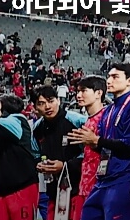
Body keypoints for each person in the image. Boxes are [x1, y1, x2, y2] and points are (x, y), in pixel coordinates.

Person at [69, 63, 130, 220]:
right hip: (104, 178)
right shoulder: (109, 110)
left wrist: (96, 140)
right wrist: (91, 142)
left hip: (124, 176)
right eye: (109, 76)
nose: (109, 80)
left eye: (115, 77)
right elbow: (104, 146)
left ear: (129, 81)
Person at [32, 85, 88, 220]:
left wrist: (64, 166)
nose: (47, 106)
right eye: (41, 103)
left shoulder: (78, 121)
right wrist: (39, 164)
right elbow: (35, 154)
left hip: (79, 189)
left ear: (58, 100)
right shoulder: (37, 128)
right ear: (35, 107)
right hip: (54, 190)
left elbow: (89, 153)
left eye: (50, 101)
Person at [68, 75, 108, 220]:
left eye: (84, 91)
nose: (78, 95)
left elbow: (113, 149)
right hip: (85, 183)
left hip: (101, 185)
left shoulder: (107, 118)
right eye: (77, 91)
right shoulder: (88, 121)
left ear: (99, 93)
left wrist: (95, 142)